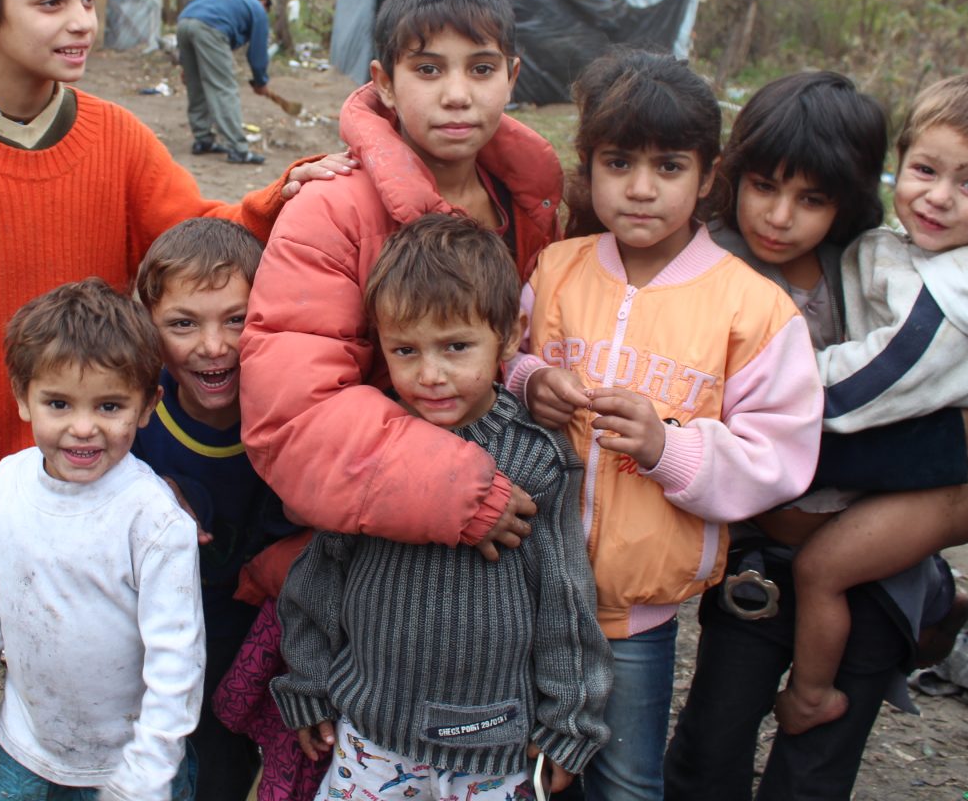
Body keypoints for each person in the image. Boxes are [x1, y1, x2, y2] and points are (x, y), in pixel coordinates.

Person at [0, 0, 351, 798]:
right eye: (51, 2)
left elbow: (194, 236)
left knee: (88, 664)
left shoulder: (113, 137)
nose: (80, 21)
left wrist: (276, 202)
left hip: (97, 476)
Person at [508, 48, 824, 801]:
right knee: (523, 762)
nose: (641, 189)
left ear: (708, 177)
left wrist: (666, 446)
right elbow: (501, 363)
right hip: (525, 585)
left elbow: (778, 455)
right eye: (618, 164)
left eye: (669, 167)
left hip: (636, 610)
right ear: (587, 170)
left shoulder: (753, 308)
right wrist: (531, 382)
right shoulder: (558, 268)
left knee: (623, 777)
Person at [663, 71, 968, 801]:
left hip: (876, 575)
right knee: (710, 750)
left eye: (812, 199)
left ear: (848, 200)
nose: (780, 217)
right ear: (732, 174)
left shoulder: (877, 268)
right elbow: (745, 443)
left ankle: (930, 600)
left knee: (819, 765)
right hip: (760, 562)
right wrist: (945, 442)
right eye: (765, 186)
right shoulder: (701, 274)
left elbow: (927, 373)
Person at [271, 213, 612, 798]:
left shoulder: (535, 460)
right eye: (406, 350)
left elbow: (567, 600)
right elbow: (322, 572)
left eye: (456, 347)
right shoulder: (371, 443)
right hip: (370, 736)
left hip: (493, 746)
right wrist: (307, 678)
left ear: (508, 335)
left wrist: (570, 720)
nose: (430, 375)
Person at [240, 0, 564, 559]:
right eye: (429, 69)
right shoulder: (331, 209)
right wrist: (461, 492)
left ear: (512, 78)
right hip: (366, 538)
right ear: (384, 84)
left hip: (515, 505)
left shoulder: (529, 203)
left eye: (482, 69)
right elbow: (295, 415)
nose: (458, 94)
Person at [763, 74, 968, 735]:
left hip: (953, 483)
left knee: (821, 568)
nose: (939, 198)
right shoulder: (944, 251)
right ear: (900, 162)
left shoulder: (955, 305)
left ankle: (812, 696)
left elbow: (859, 386)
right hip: (929, 455)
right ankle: (936, 607)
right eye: (925, 170)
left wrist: (756, 389)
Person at [0, 278, 203, 800]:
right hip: (23, 748)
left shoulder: (152, 520)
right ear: (22, 398)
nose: (83, 428)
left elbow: (178, 656)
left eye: (109, 407)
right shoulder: (3, 487)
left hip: (126, 763)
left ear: (147, 407)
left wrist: (147, 774)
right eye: (59, 404)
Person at [132, 218, 297, 800]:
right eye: (183, 323)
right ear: (147, 329)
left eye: (237, 318)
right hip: (146, 648)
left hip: (249, 650)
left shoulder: (295, 411)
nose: (213, 345)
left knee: (221, 775)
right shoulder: (128, 412)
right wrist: (136, 488)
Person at [177, 0, 274, 164]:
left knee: (195, 84)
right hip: (210, 28)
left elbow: (195, 16)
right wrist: (261, 81)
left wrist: (185, 64)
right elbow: (258, 52)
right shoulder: (257, 9)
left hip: (184, 22)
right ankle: (238, 149)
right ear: (264, 2)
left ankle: (203, 139)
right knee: (223, 88)